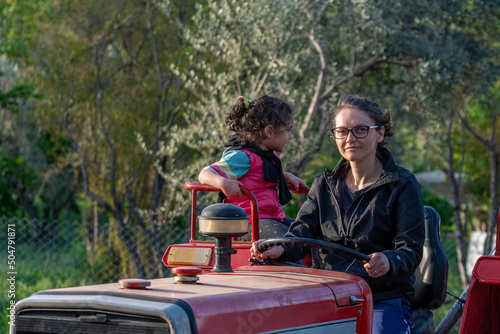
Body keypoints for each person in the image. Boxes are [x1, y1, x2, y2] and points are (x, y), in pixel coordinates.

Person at [251, 94, 425, 334]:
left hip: (381, 297)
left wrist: (388, 260)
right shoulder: (324, 184)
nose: (350, 139)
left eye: (360, 130)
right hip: (330, 292)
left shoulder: (402, 185)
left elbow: (410, 250)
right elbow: (303, 232)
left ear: (380, 134)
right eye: (342, 131)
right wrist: (282, 247)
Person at [198, 95, 307, 241]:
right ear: (269, 131)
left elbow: (257, 178)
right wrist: (224, 183)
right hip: (247, 224)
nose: (291, 136)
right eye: (288, 130)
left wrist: (285, 176)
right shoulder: (241, 156)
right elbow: (205, 174)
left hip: (271, 218)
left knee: (308, 233)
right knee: (290, 242)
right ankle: (292, 264)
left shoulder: (267, 158)